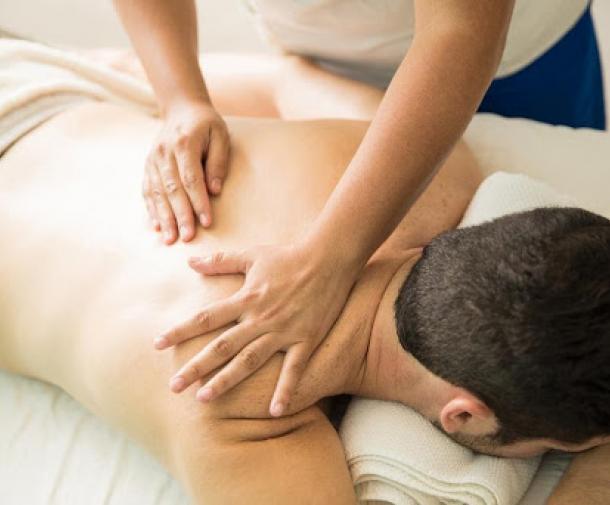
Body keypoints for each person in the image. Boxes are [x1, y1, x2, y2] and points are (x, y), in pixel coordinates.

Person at [1, 46, 609, 503]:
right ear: (464, 416)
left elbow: (287, 76)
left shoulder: (430, 172)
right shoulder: (240, 411)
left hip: (33, 86)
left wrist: (180, 101)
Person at [113, 0, 607, 418]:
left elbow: (461, 31)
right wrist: (180, 98)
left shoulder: (445, 184)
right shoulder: (450, 185)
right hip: (321, 55)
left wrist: (328, 261)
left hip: (520, 59)